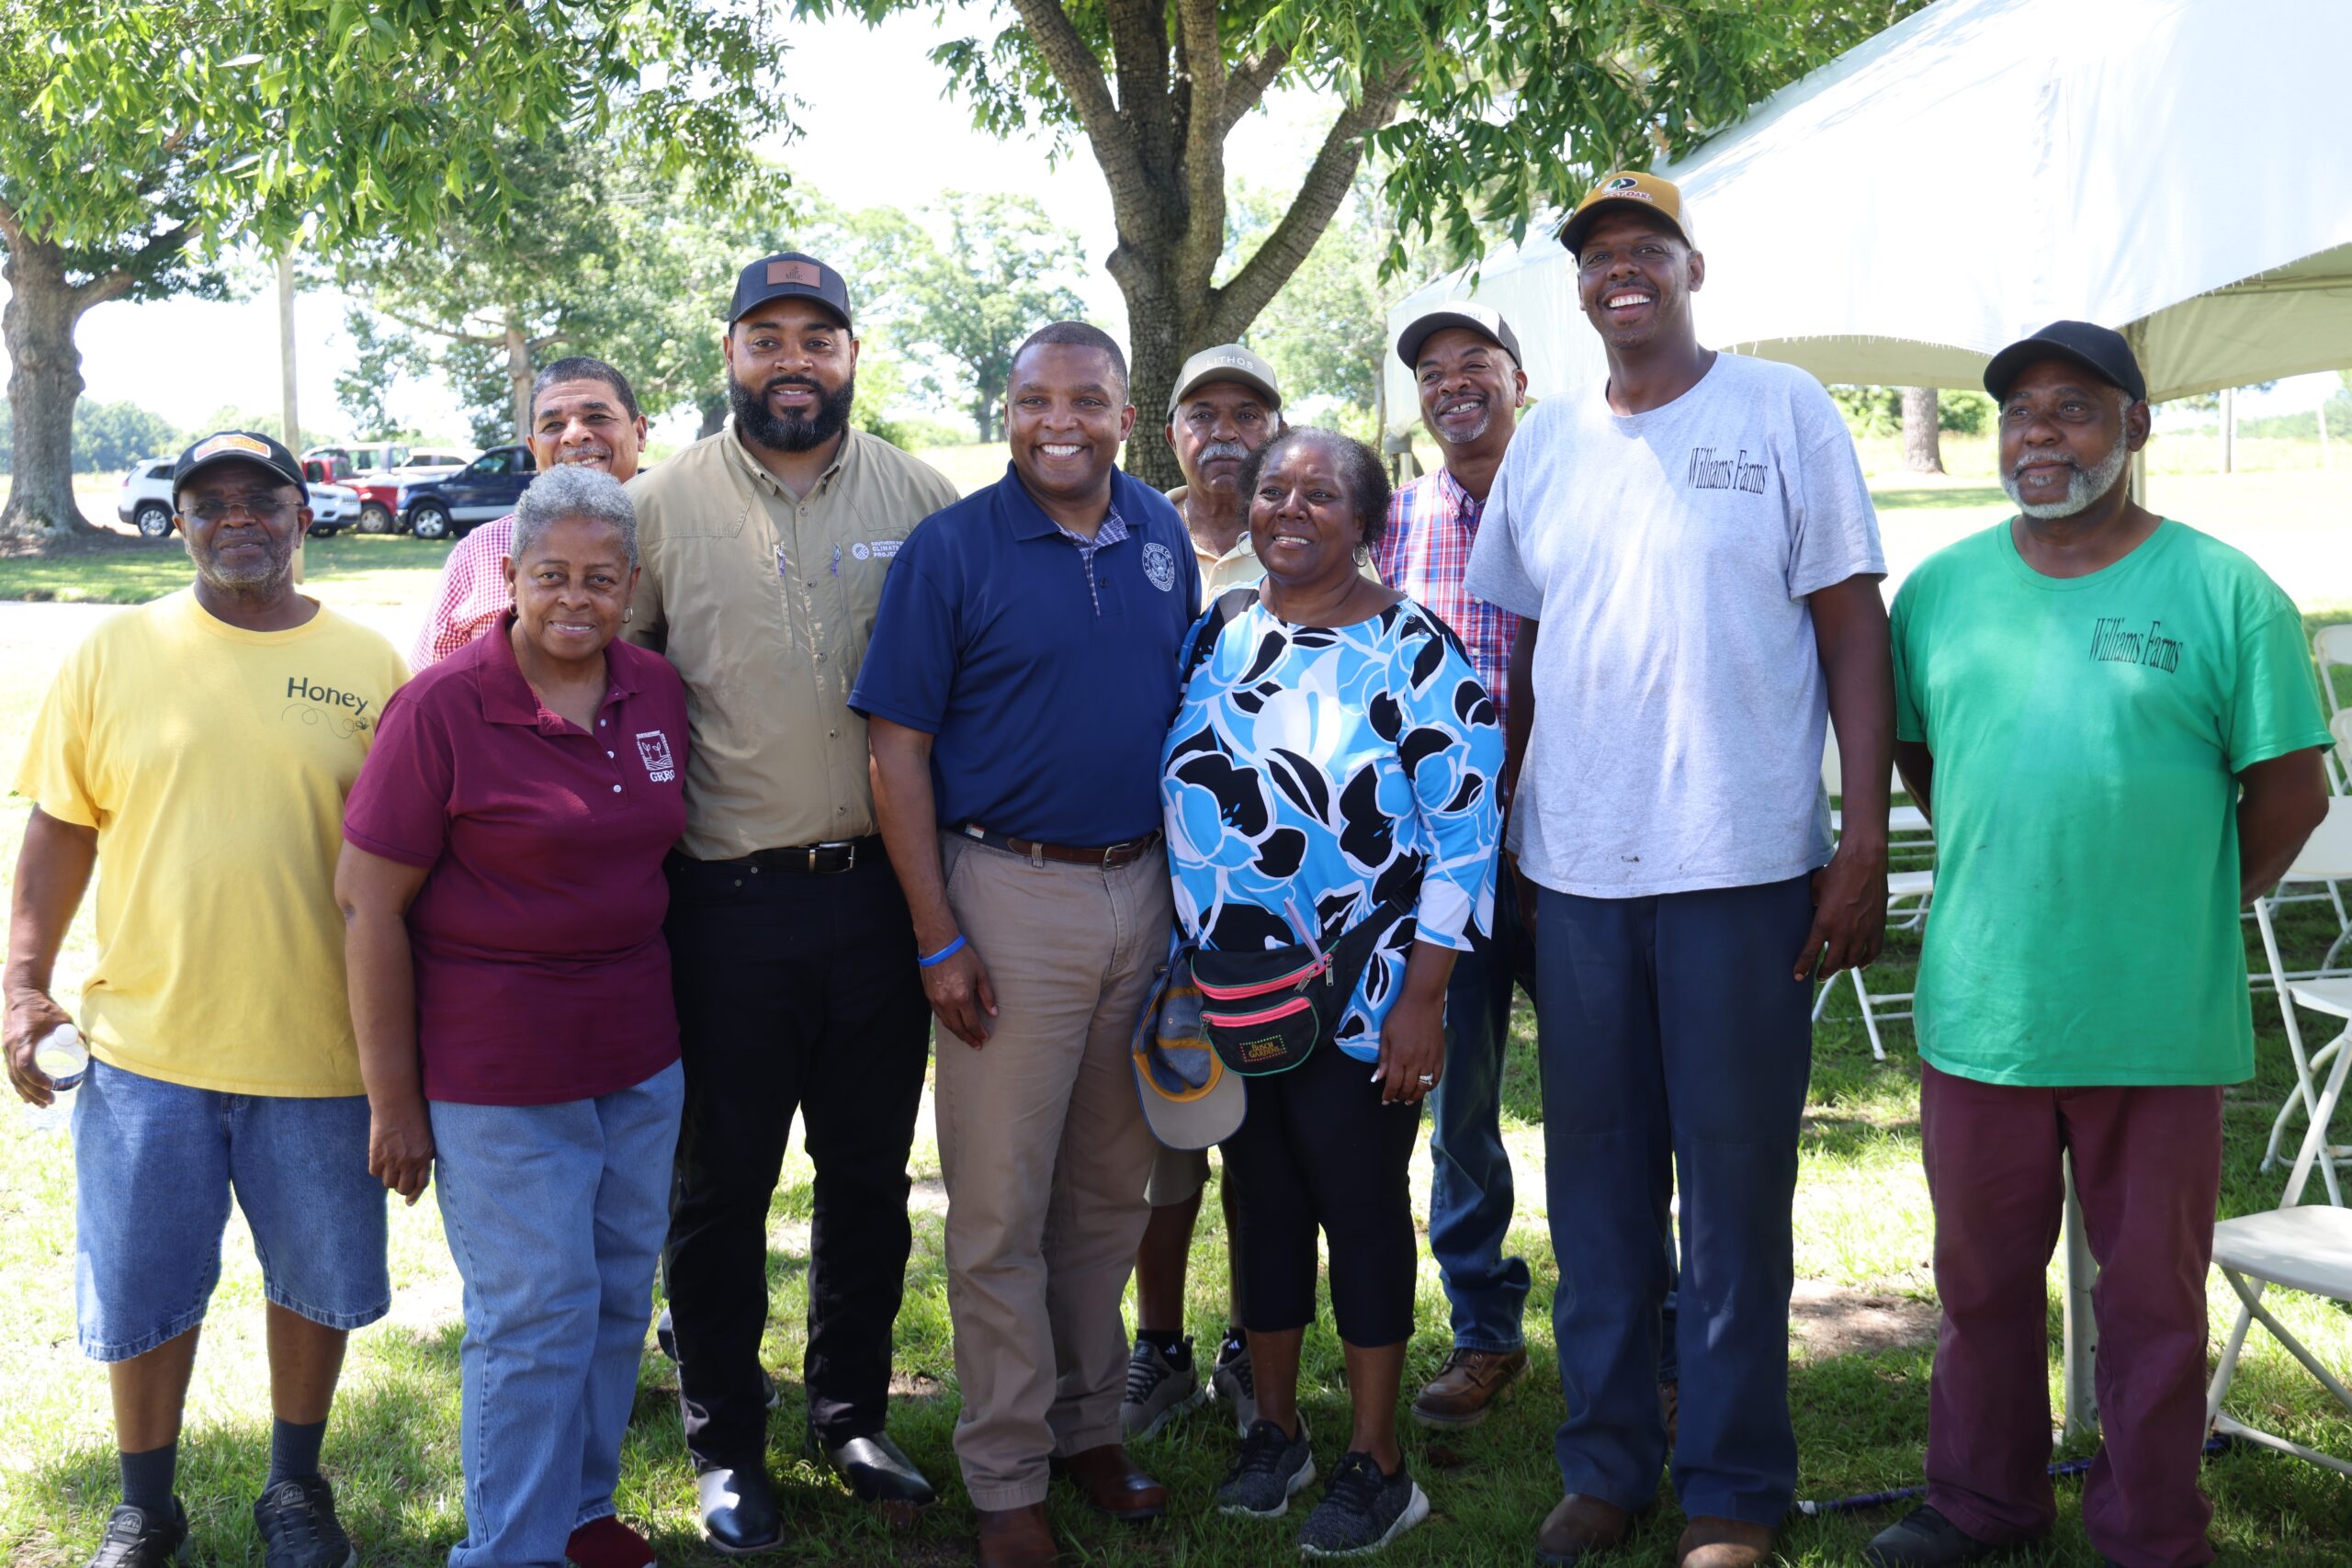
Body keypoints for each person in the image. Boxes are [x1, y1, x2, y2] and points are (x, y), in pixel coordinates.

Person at [1464, 171, 1893, 1568]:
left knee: (1732, 1192)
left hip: (1742, 864)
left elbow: (1851, 624)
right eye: (1598, 257)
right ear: (1579, 288)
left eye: (1646, 248)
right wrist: (1501, 836)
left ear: (1691, 268)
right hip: (1577, 872)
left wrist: (1862, 837)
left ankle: (1732, 1486)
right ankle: (1605, 1464)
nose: (1622, 272)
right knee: (1594, 1188)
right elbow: (1526, 652)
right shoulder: (1545, 443)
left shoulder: (1782, 409)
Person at [1862, 323, 2331, 1568]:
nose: (2039, 433)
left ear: (2136, 426)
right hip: (1986, 1006)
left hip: (2155, 1011)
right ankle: (1982, 1501)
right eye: (2018, 411)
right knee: (1979, 1284)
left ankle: (2151, 1528)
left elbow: (2292, 792)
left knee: (2152, 1298)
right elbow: (1924, 760)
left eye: (2072, 408)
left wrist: (2183, 900)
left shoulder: (2225, 591)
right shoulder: (1940, 593)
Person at [5, 432, 408, 1568]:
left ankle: (295, 1490)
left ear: (303, 517)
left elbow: (410, 863)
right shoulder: (114, 652)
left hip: (321, 1051)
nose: (237, 519)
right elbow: (60, 830)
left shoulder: (371, 664)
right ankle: (147, 1507)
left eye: (261, 500)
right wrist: (23, 983)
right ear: (178, 521)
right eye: (209, 501)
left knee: (317, 1287)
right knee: (143, 1293)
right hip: (148, 1051)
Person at [625, 251, 961, 1549]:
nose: (793, 361)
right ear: (730, 354)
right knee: (721, 1187)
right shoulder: (660, 506)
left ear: (851, 355)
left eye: (817, 338)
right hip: (726, 903)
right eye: (766, 337)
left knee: (867, 1175)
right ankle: (725, 1442)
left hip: (881, 896)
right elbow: (617, 680)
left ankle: (851, 1412)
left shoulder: (920, 497)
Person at [854, 321, 1199, 1568]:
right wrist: (937, 935)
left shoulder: (1159, 533)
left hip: (1141, 890)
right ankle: (1005, 1472)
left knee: (1109, 1192)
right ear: (1006, 412)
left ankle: (1086, 1424)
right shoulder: (951, 548)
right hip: (1007, 892)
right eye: (1036, 400)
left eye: (1088, 400)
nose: (1062, 421)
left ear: (1125, 416)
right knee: (1001, 1205)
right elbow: (895, 752)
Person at [336, 466, 691, 1568]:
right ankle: (507, 1550)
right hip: (497, 1067)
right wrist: (394, 1103)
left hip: (637, 1056)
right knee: (535, 1313)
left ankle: (578, 1516)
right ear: (511, 577)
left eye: (599, 578)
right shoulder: (443, 707)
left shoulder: (654, 689)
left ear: (631, 582)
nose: (575, 598)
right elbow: (366, 904)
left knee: (616, 1296)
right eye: (551, 576)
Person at [1163, 425, 1502, 1555]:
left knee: (1355, 1208)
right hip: (1233, 990)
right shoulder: (1219, 631)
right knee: (1258, 1203)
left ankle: (1377, 1461)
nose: (1289, 509)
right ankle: (1275, 1432)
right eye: (1274, 490)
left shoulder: (1412, 649)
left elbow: (1464, 835)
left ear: (1364, 522)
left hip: (1365, 996)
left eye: (1319, 494)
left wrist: (1425, 997)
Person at [1378, 301, 1544, 1430]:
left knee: (1613, 1106)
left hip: (1580, 852)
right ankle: (1485, 1332)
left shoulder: (1576, 495)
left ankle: (1654, 1333)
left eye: (1474, 363)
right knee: (1462, 1109)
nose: (1452, 384)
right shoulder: (1392, 522)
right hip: (1449, 868)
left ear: (1518, 380)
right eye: (1431, 372)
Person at [1122, 342, 1286, 1441]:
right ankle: (1160, 1345)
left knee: (1264, 1140)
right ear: (1170, 430)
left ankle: (1248, 1341)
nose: (1224, 432)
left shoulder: (1308, 528)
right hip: (1146, 877)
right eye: (1202, 414)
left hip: (1275, 888)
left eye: (1246, 413)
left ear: (1276, 426)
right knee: (1165, 1133)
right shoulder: (1131, 532)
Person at [410, 356, 650, 669]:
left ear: (640, 433)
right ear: (534, 449)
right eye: (553, 425)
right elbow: (431, 680)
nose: (574, 435)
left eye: (596, 417)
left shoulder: (679, 541)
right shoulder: (479, 551)